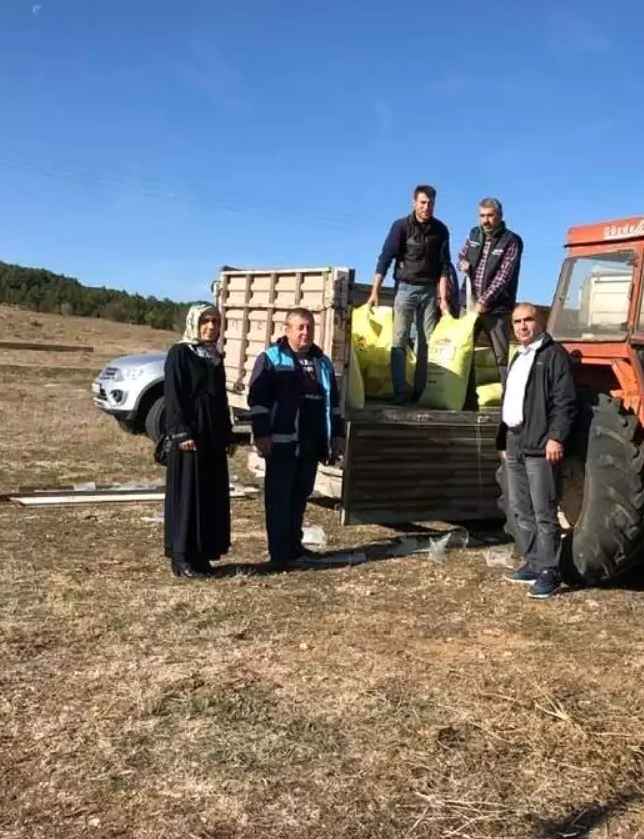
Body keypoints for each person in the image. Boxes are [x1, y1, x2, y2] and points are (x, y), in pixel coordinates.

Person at [247, 307, 345, 570]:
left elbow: (333, 403)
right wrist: (262, 433)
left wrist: (336, 434)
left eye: (310, 327)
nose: (305, 332)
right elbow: (258, 401)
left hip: (311, 442)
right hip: (282, 442)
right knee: (279, 498)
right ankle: (279, 555)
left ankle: (294, 545)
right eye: (300, 327)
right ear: (287, 329)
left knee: (300, 496)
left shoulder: (321, 362)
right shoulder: (271, 358)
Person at [496, 302, 577, 599]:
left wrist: (556, 438)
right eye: (517, 322)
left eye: (528, 320)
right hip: (515, 441)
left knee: (544, 510)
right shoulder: (519, 356)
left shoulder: (553, 356)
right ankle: (533, 562)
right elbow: (512, 400)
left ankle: (550, 571)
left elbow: (564, 401)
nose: (522, 326)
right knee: (521, 508)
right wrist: (503, 441)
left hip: (540, 443)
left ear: (539, 321)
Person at [162, 303, 235, 578]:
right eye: (205, 321)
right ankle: (181, 556)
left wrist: (227, 435)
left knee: (209, 494)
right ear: (194, 323)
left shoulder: (214, 357)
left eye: (216, 322)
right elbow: (174, 396)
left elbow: (220, 400)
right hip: (190, 437)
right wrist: (181, 432)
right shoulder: (180, 354)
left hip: (213, 436)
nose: (211, 327)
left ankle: (202, 554)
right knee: (187, 494)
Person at [367, 184, 452, 403]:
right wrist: (375, 290)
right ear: (414, 202)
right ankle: (400, 392)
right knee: (399, 339)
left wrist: (443, 299)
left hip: (430, 290)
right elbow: (385, 258)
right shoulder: (401, 226)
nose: (427, 207)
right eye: (423, 202)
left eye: (431, 203)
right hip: (405, 288)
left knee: (428, 342)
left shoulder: (441, 230)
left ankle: (422, 391)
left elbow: (445, 266)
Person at [459, 196, 523, 389]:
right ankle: (467, 397)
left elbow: (504, 276)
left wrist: (484, 301)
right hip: (469, 304)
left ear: (500, 216)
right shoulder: (474, 234)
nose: (485, 220)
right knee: (464, 351)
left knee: (501, 355)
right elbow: (462, 254)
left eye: (490, 216)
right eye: (482, 216)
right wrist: (462, 263)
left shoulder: (511, 241)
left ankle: (508, 399)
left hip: (497, 309)